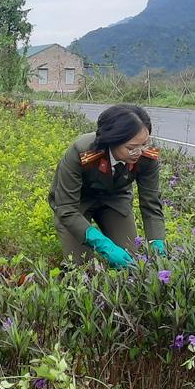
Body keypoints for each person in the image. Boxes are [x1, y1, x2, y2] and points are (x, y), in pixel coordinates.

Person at [48, 104, 165, 269]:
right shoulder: (82, 152)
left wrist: (156, 240)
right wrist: (102, 244)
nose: (139, 152)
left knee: (130, 260)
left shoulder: (147, 156)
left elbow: (151, 203)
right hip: (77, 202)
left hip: (114, 198)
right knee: (79, 265)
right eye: (131, 148)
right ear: (112, 141)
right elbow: (66, 208)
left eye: (144, 144)